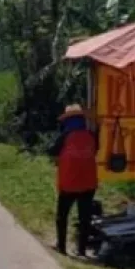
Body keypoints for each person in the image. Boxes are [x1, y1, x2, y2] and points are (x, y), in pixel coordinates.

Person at [47, 104, 99, 256]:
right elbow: (95, 149)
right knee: (85, 217)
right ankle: (81, 250)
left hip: (69, 183)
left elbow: (52, 151)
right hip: (88, 183)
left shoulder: (64, 137)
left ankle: (61, 247)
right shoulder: (91, 135)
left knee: (62, 216)